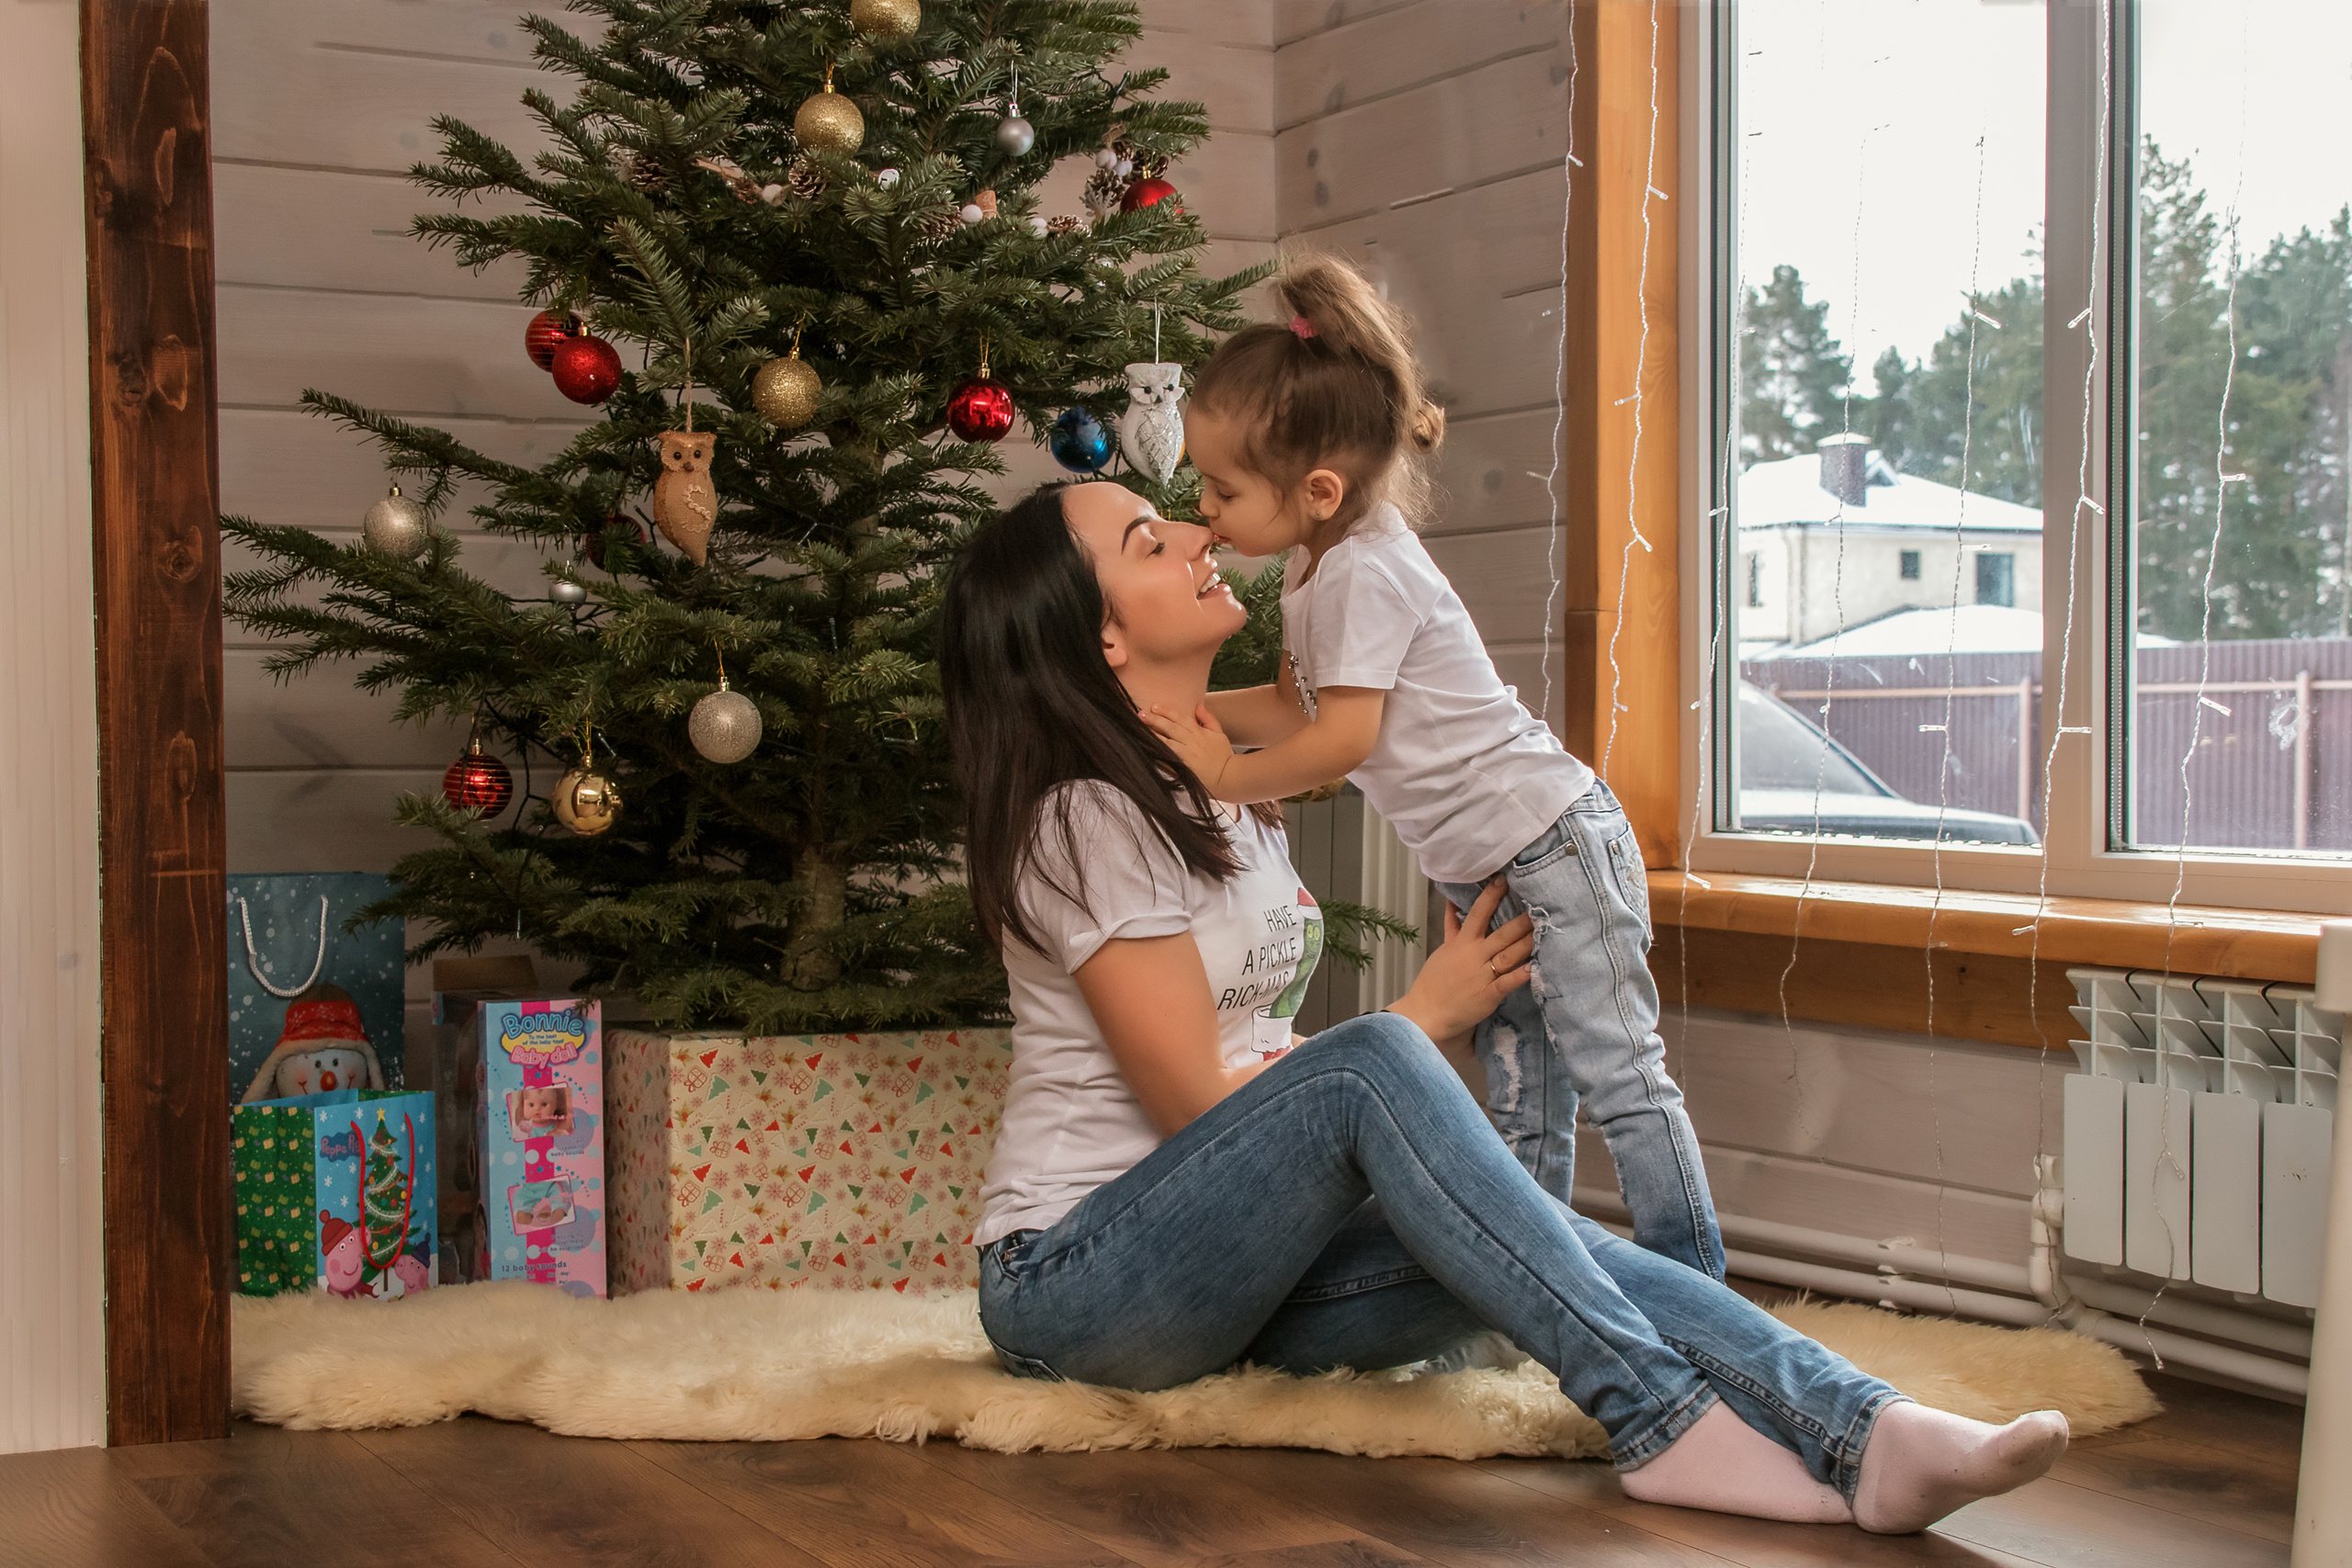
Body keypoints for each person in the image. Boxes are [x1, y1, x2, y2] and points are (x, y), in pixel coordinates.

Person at [937, 478, 2069, 1534]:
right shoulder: (1087, 816)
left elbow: (1252, 1068)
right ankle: (1660, 1425)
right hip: (1078, 1285)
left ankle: (1868, 1432)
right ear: (1102, 638)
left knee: (1528, 1236)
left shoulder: (1222, 791)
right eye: (1149, 541)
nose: (1195, 534)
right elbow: (1195, 1104)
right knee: (1377, 1057)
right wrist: (1417, 1023)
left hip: (1226, 1280)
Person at [1137, 255, 1721, 1280]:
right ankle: (1537, 1298)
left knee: (1619, 1074)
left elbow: (1345, 741)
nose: (1207, 509)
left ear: (1316, 490)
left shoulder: (1364, 568)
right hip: (1488, 863)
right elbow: (1289, 707)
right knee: (1521, 1095)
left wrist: (1222, 774)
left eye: (1224, 488)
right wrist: (1160, 712)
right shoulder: (1320, 565)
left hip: (1550, 842)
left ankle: (1699, 1292)